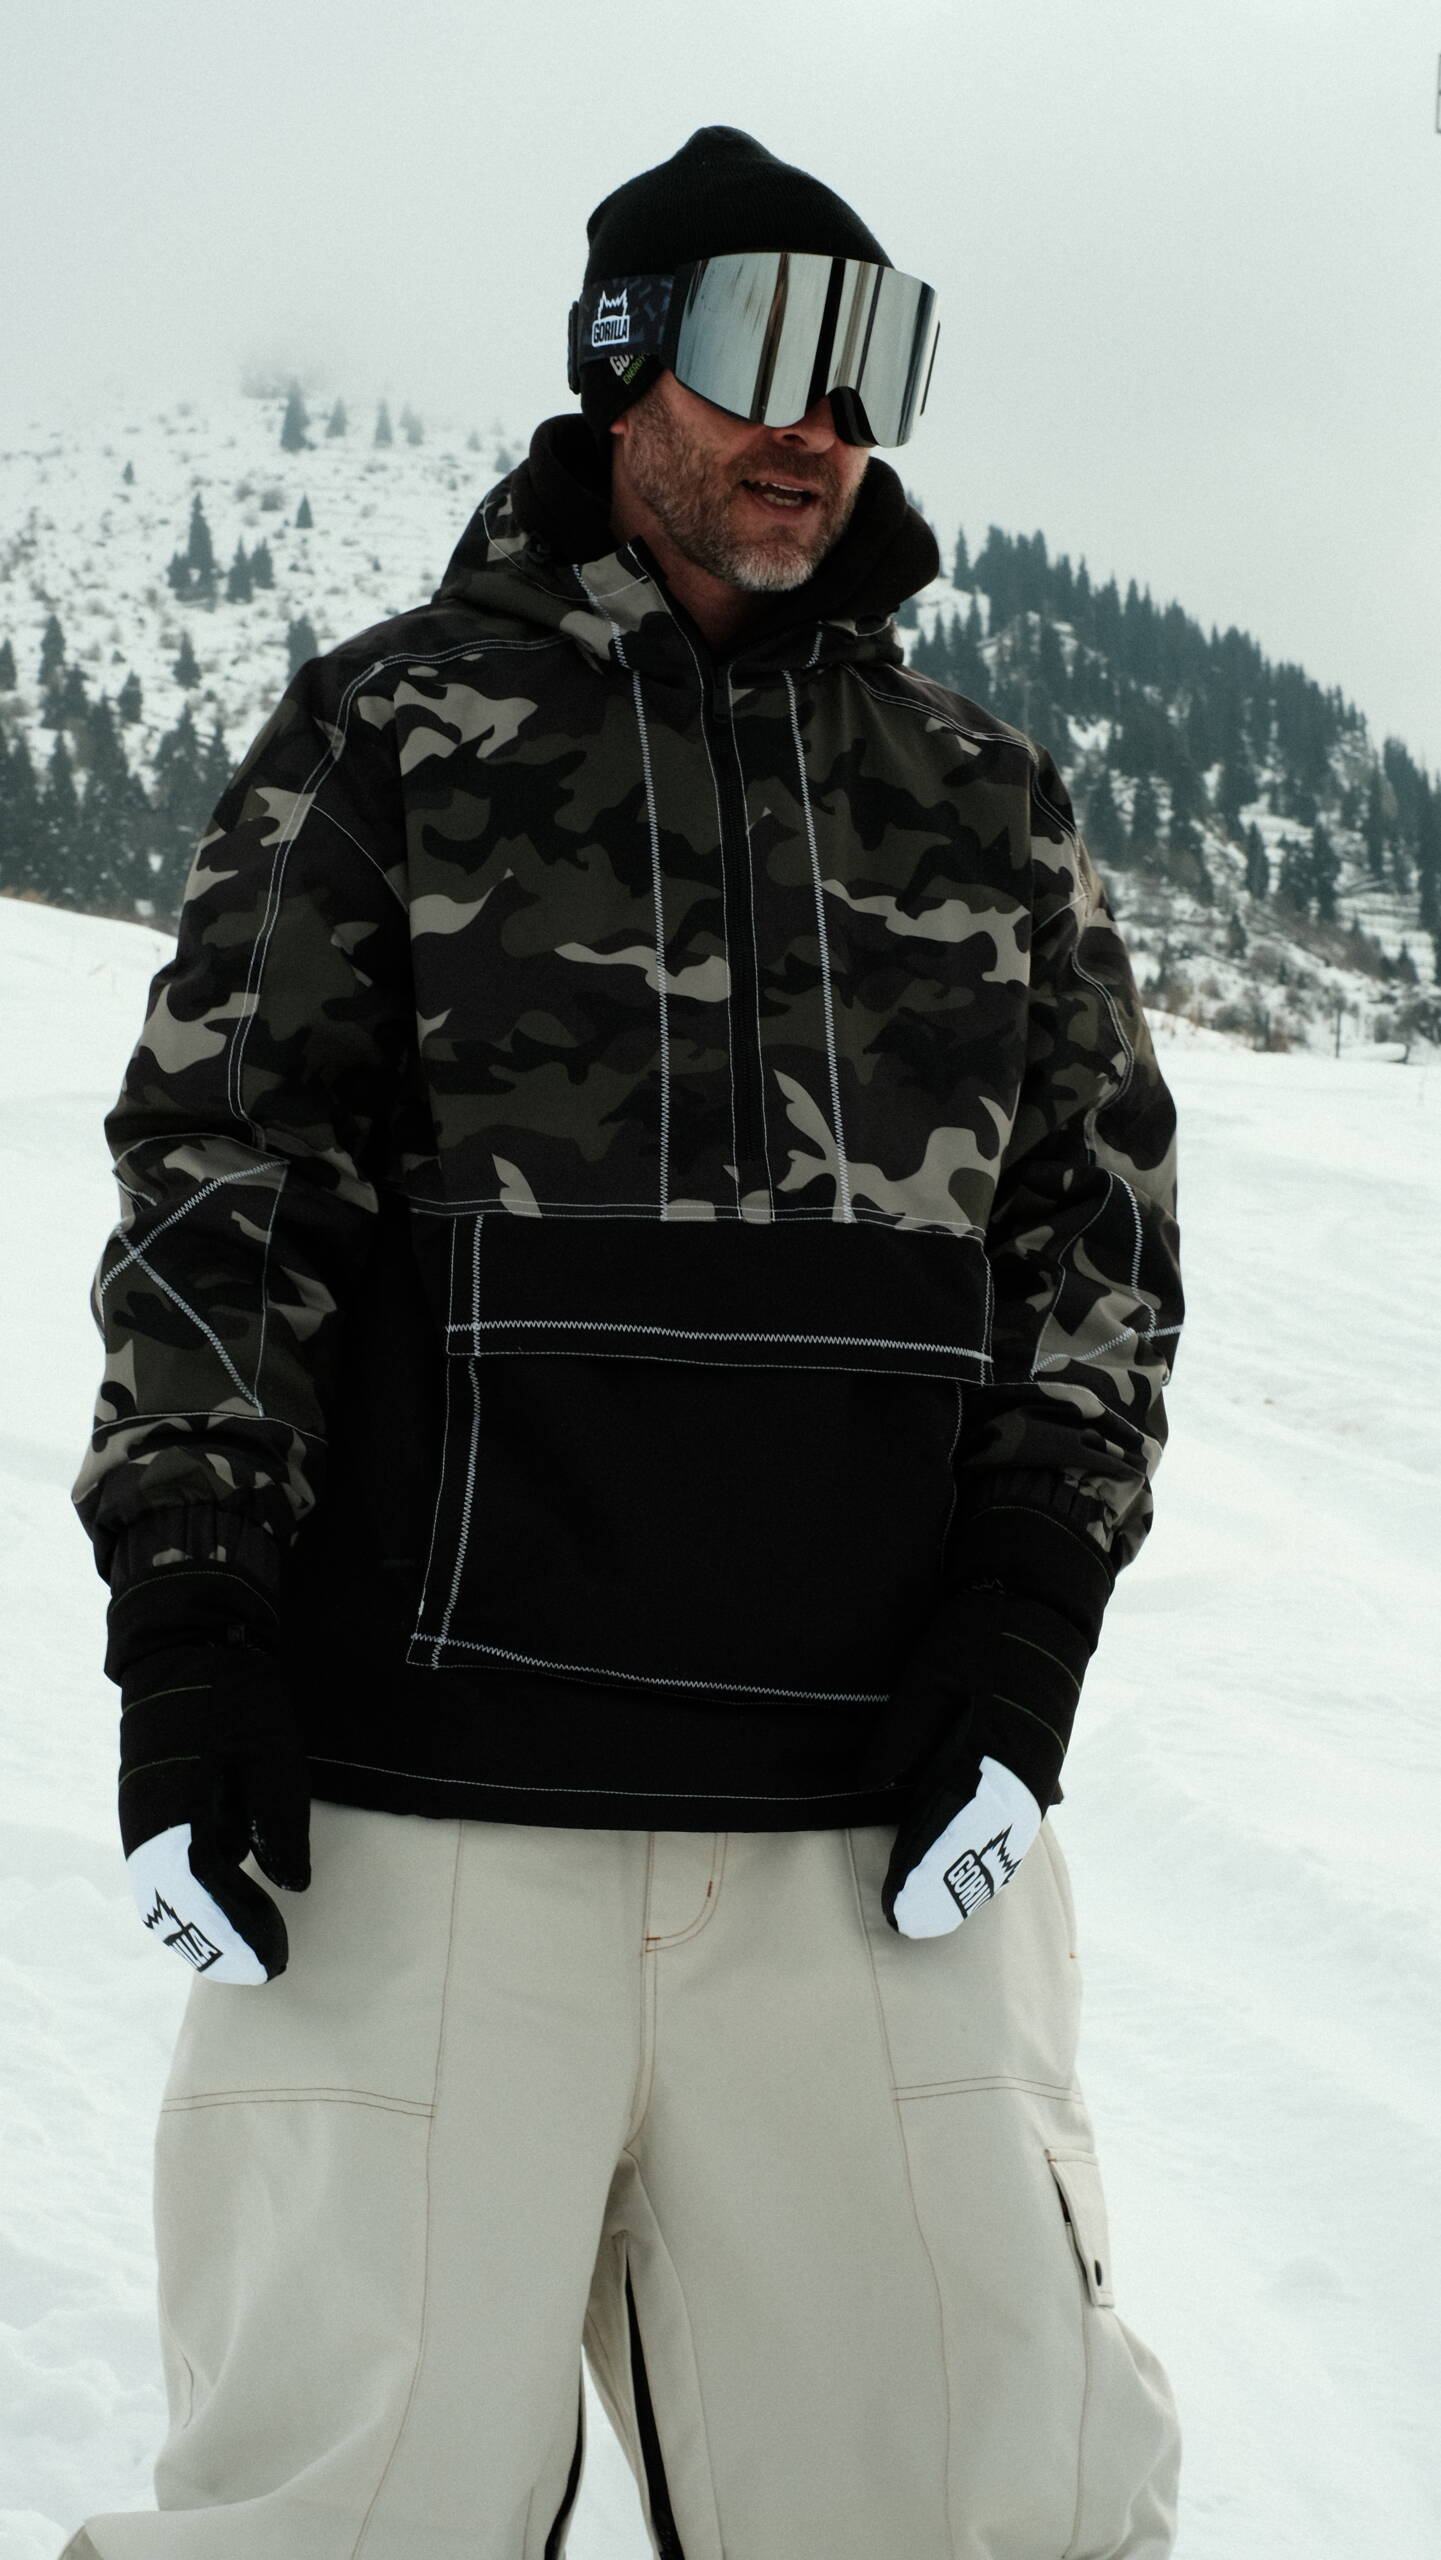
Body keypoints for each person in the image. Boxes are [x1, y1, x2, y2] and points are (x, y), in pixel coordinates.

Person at [66, 126, 1184, 2560]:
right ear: (619, 358)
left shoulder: (978, 795)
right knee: (340, 2507)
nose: (821, 423)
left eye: (874, 368)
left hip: (871, 1830)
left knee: (970, 2493)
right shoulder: (394, 731)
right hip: (418, 1811)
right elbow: (226, 1181)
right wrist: (192, 1619)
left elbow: (1093, 1234)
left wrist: (1026, 1622)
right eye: (769, 345)